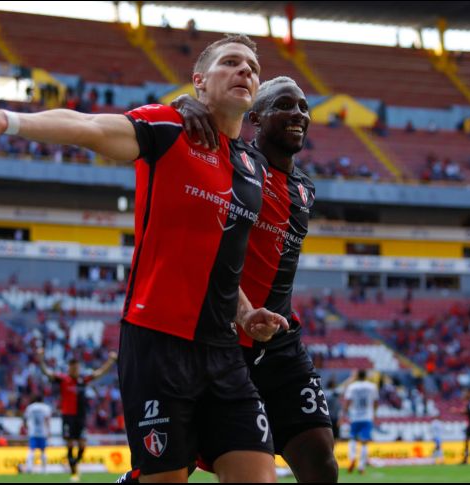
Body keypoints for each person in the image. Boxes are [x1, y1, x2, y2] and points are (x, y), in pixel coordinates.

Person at [0, 34, 288, 483]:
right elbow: (91, 128)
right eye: (231, 63)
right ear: (199, 80)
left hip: (223, 351)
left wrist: (244, 312)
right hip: (158, 342)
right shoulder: (168, 127)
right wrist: (9, 119)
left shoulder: (252, 168)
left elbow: (219, 261)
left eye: (253, 67)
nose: (245, 71)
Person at [118, 76, 336, 483]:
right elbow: (190, 126)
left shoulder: (305, 189)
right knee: (175, 466)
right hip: (223, 339)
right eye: (285, 106)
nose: (298, 115)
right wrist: (185, 102)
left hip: (281, 344)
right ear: (254, 117)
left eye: (304, 108)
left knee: (321, 459)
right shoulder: (233, 164)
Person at [39, 351, 117, 481]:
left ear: (78, 368)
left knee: (82, 445)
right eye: (72, 367)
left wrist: (110, 361)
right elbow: (46, 372)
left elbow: (99, 373)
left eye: (76, 367)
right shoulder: (63, 379)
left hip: (80, 417)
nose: (74, 369)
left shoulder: (83, 380)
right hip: (68, 417)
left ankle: (75, 463)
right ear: (69, 368)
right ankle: (74, 473)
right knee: (70, 444)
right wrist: (41, 358)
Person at [343, 369, 379, 474]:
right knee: (364, 442)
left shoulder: (352, 387)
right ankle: (361, 467)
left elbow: (347, 402)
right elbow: (376, 402)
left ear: (357, 376)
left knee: (352, 439)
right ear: (366, 376)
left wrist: (343, 415)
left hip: (354, 416)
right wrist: (375, 414)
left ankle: (352, 458)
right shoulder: (372, 386)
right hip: (367, 417)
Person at [22, 400, 53, 473]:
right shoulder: (46, 408)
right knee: (43, 451)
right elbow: (47, 420)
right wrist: (48, 431)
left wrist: (26, 426)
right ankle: (44, 469)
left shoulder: (30, 407)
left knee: (31, 450)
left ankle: (29, 468)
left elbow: (25, 418)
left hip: (33, 432)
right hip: (42, 433)